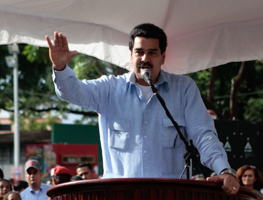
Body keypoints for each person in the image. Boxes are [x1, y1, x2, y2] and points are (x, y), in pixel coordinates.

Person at [45, 23, 239, 194]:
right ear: (131, 56)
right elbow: (73, 93)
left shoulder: (184, 89)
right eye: (139, 52)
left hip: (170, 194)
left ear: (163, 57)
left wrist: (224, 170)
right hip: (118, 194)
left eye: (152, 52)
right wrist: (60, 68)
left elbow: (203, 135)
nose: (145, 58)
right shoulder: (109, 89)